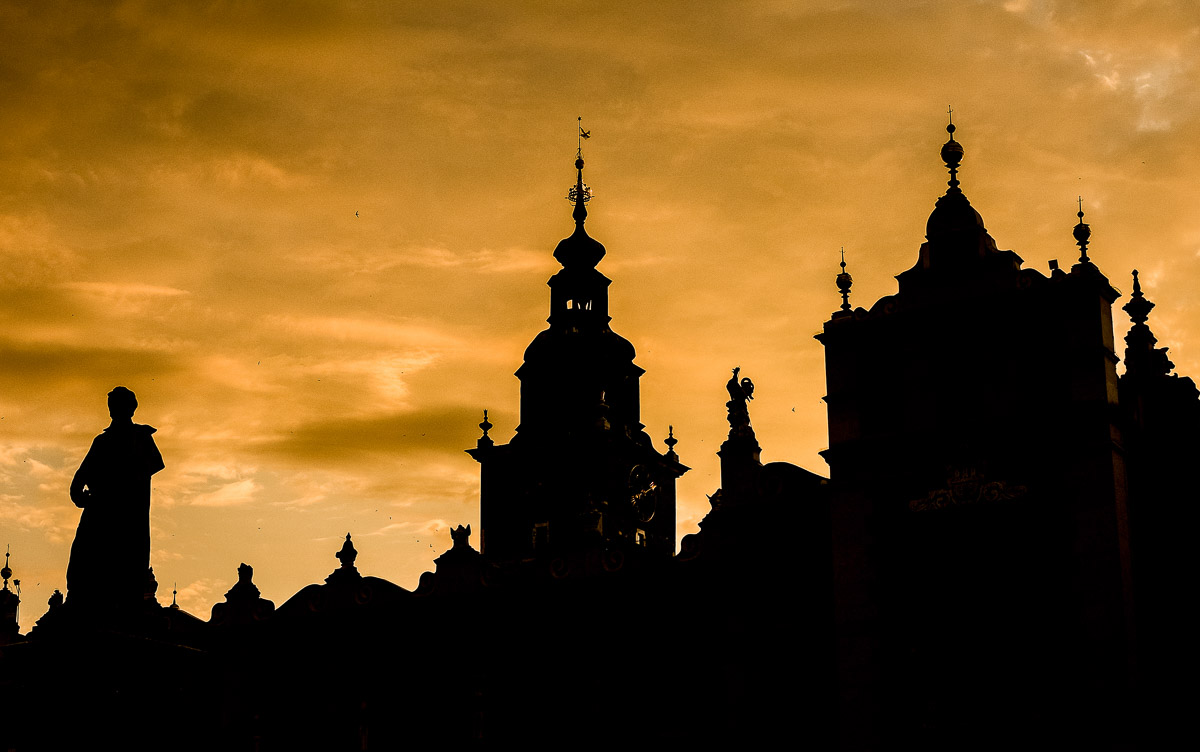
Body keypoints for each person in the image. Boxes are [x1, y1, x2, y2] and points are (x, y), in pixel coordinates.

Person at [66, 387, 164, 617]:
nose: (113, 410)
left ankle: (119, 605)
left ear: (130, 408)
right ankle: (81, 602)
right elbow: (80, 477)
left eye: (117, 405)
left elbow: (152, 465)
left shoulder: (141, 438)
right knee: (83, 555)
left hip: (127, 512)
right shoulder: (102, 441)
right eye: (111, 406)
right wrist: (77, 493)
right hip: (100, 509)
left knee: (123, 559)